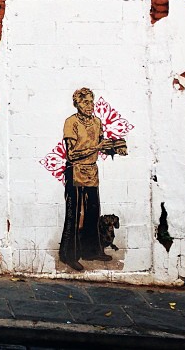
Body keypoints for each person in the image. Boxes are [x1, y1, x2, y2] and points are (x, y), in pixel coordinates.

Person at [58, 87, 127, 271]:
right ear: (77, 104)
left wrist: (115, 147)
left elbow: (101, 146)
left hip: (92, 172)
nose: (90, 105)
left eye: (91, 101)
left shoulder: (97, 122)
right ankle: (69, 255)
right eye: (85, 102)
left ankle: (91, 250)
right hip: (75, 172)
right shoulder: (71, 122)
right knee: (75, 216)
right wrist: (96, 147)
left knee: (92, 213)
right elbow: (71, 155)